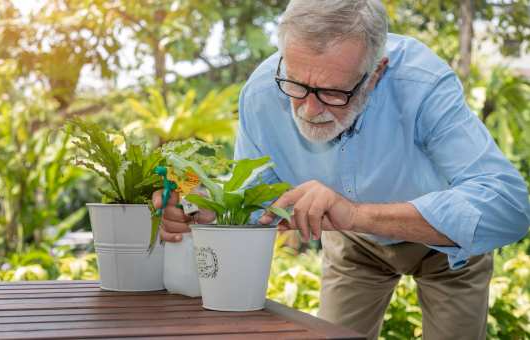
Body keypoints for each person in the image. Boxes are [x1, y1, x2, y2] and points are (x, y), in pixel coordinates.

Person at [153, 1, 530, 339]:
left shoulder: (423, 83)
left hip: (446, 243)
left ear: (376, 71)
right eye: (297, 85)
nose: (309, 109)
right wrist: (205, 210)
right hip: (351, 240)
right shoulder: (262, 93)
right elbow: (256, 193)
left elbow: (510, 208)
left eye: (334, 93)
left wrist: (356, 214)